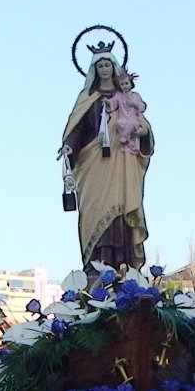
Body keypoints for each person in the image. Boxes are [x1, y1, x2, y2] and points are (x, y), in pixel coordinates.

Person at [61, 48, 153, 273]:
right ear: (94, 70)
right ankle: (96, 266)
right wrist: (69, 147)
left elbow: (143, 125)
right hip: (95, 165)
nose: (104, 70)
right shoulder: (88, 99)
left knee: (123, 210)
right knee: (95, 210)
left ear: (114, 68)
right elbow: (77, 129)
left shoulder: (128, 99)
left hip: (122, 162)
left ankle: (124, 266)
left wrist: (142, 133)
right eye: (100, 66)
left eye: (107, 65)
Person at [106, 71, 148, 153]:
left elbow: (142, 107)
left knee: (132, 123)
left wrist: (135, 104)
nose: (124, 86)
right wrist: (107, 102)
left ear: (130, 84)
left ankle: (125, 137)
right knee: (119, 123)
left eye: (126, 83)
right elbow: (113, 101)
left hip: (134, 119)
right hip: (123, 119)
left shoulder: (135, 95)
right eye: (122, 84)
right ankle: (127, 139)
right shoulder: (119, 95)